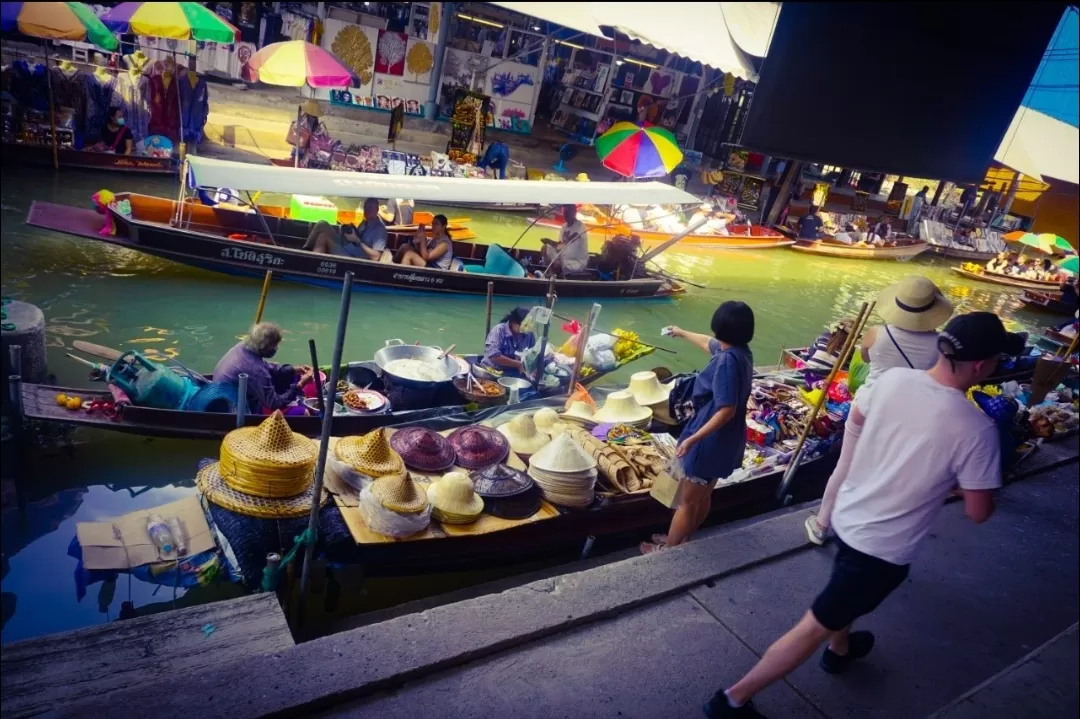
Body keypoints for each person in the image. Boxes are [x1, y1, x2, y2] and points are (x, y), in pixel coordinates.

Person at [705, 312, 1022, 718]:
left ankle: (841, 650)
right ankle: (732, 699)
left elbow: (857, 421)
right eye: (997, 360)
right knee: (813, 625)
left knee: (841, 600)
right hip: (882, 550)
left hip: (848, 515)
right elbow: (979, 512)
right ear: (981, 366)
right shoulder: (976, 430)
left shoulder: (892, 380)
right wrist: (958, 481)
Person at [804, 275, 954, 545]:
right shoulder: (940, 344)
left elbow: (865, 357)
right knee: (888, 469)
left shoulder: (877, 333)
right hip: (906, 416)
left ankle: (822, 523)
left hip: (869, 407)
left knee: (846, 465)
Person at [641, 302, 754, 555]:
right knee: (703, 494)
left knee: (687, 502)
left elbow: (727, 409)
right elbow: (707, 343)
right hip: (729, 438)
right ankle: (683, 538)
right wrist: (681, 332)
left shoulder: (725, 362)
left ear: (719, 328)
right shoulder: (741, 352)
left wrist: (693, 439)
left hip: (710, 437)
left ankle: (668, 552)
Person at [212, 323, 300, 413]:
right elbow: (274, 403)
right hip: (231, 407)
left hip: (219, 392)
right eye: (274, 345)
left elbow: (261, 364)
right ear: (264, 346)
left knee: (287, 370)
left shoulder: (243, 346)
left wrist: (293, 369)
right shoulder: (256, 370)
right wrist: (299, 386)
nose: (276, 348)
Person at [303, 198, 388, 260]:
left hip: (353, 258)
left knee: (324, 235)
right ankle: (308, 256)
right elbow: (356, 238)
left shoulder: (380, 230)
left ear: (377, 209)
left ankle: (308, 257)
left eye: (370, 207)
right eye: (365, 207)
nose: (366, 210)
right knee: (322, 225)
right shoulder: (364, 223)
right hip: (348, 247)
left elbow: (376, 257)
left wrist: (357, 240)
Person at [482, 307, 536, 377]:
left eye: (529, 326)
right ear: (513, 323)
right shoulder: (499, 330)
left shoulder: (529, 334)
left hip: (513, 373)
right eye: (524, 325)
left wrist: (533, 369)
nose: (526, 329)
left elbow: (532, 355)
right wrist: (518, 364)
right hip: (492, 371)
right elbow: (493, 356)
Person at [541, 205, 589, 276]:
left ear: (574, 213)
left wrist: (559, 246)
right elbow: (560, 245)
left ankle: (553, 275)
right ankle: (551, 271)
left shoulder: (580, 226)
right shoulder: (564, 226)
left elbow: (571, 239)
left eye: (567, 212)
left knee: (558, 263)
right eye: (564, 212)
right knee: (545, 248)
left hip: (576, 261)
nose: (565, 215)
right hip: (563, 256)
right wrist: (550, 242)